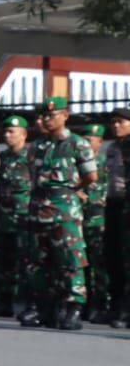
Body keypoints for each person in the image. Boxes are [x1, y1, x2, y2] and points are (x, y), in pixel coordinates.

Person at [19, 96, 97, 330]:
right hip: (38, 208)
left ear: (65, 115)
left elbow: (90, 176)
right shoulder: (37, 146)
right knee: (39, 261)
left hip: (64, 210)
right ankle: (46, 309)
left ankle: (73, 308)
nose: (46, 120)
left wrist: (72, 190)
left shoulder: (77, 144)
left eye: (51, 115)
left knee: (70, 260)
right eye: (43, 116)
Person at [0, 115, 33, 318]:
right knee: (2, 263)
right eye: (5, 132)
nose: (7, 136)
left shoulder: (32, 156)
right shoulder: (3, 157)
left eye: (11, 132)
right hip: (4, 219)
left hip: (24, 219)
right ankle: (5, 301)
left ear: (23, 134)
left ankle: (31, 305)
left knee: (26, 263)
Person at [81, 123, 111, 323]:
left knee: (99, 267)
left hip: (98, 220)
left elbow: (108, 193)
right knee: (82, 266)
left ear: (100, 142)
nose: (86, 144)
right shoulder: (79, 163)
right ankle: (83, 306)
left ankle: (103, 306)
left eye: (90, 140)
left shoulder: (106, 163)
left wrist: (88, 198)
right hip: (79, 221)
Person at [105, 109, 130, 325]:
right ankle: (115, 306)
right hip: (112, 204)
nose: (116, 126)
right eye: (113, 122)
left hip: (127, 204)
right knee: (113, 257)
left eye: (121, 122)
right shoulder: (113, 147)